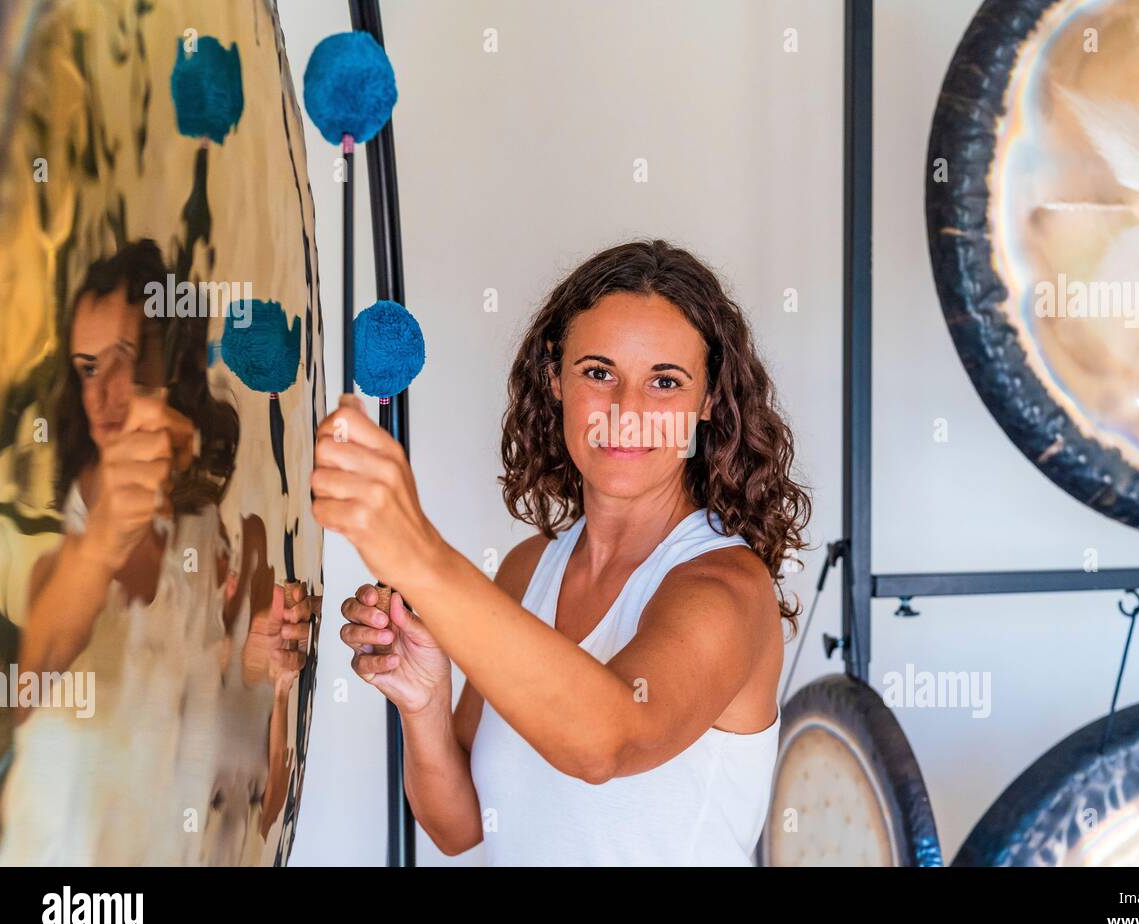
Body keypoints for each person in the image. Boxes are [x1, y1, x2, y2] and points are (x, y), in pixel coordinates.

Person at [313, 239, 810, 865]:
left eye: (664, 381)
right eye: (598, 373)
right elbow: (461, 826)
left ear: (708, 400)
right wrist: (426, 703)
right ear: (555, 379)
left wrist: (417, 553)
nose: (627, 412)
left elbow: (609, 743)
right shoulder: (529, 569)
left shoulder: (726, 589)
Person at [0, 240, 311, 865]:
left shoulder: (213, 535)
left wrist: (270, 680)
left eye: (125, 360)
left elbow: (259, 796)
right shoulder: (59, 536)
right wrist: (106, 535)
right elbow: (29, 682)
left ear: (175, 363)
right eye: (88, 368)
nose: (103, 393)